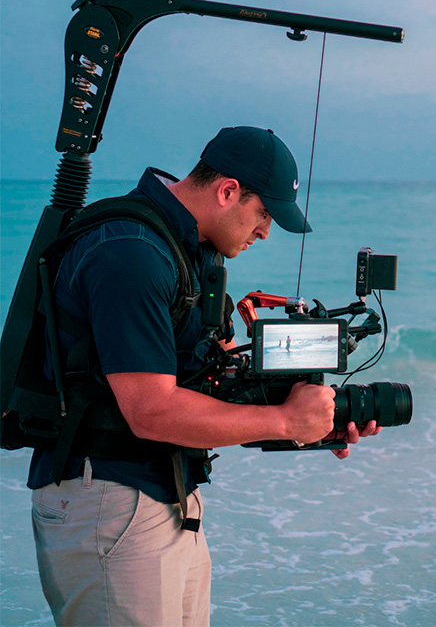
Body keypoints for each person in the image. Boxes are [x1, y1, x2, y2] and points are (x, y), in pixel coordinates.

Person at [28, 126, 380, 627]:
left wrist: (311, 418)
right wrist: (283, 421)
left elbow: (208, 381)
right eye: (264, 215)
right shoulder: (132, 252)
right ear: (228, 190)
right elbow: (152, 410)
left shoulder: (190, 248)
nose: (264, 232)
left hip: (161, 495)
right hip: (109, 501)